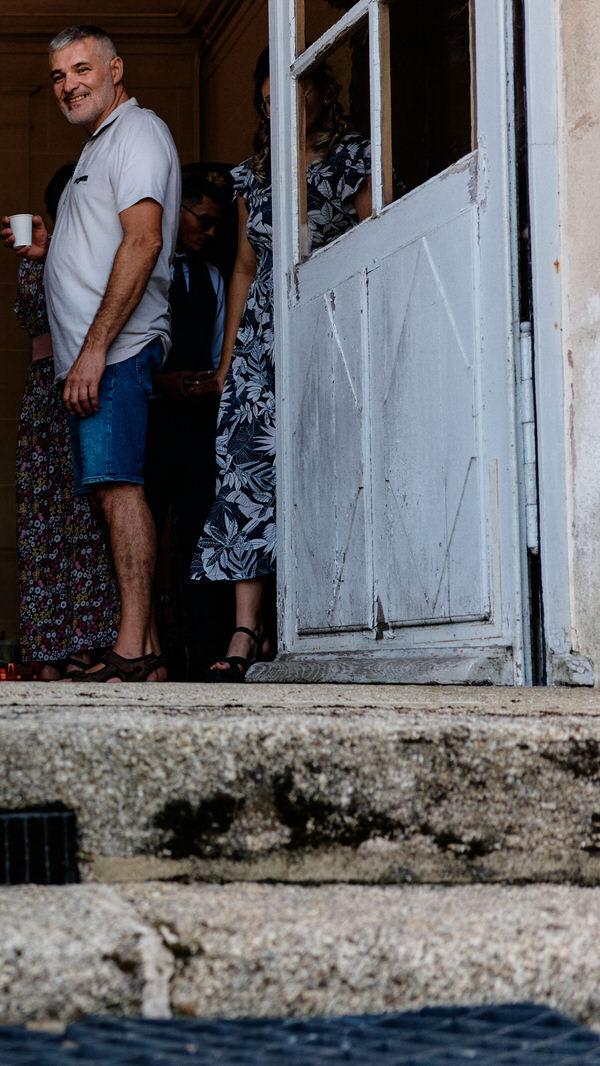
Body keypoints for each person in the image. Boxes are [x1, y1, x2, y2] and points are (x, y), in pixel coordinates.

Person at [7, 25, 181, 683]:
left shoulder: (136, 133)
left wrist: (93, 351)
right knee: (110, 493)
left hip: (117, 353)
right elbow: (104, 240)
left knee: (119, 491)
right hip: (99, 357)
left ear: (115, 69)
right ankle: (148, 652)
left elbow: (142, 242)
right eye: (57, 75)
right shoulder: (98, 147)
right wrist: (56, 243)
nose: (68, 84)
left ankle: (133, 651)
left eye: (81, 69)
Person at [190, 50, 371, 680]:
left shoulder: (354, 160)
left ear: (320, 92)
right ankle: (246, 630)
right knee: (246, 474)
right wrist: (227, 360)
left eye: (289, 98)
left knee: (328, 466)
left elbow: (375, 240)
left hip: (331, 328)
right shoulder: (252, 176)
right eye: (267, 102)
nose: (277, 111)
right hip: (262, 341)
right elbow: (244, 267)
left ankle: (329, 614)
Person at [5, 164, 119, 679]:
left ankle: (89, 644)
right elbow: (33, 314)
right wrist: (44, 257)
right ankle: (48, 648)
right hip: (45, 391)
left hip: (88, 380)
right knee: (43, 520)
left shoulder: (106, 249)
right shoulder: (45, 254)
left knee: (87, 516)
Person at [144, 175, 229, 679]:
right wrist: (160, 382)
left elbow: (220, 346)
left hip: (199, 422)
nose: (211, 231)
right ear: (177, 212)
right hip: (153, 416)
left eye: (218, 222)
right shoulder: (148, 267)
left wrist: (208, 384)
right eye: (204, 219)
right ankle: (151, 645)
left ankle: (204, 648)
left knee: (200, 532)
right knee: (146, 529)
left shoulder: (215, 277)